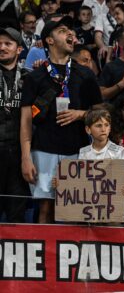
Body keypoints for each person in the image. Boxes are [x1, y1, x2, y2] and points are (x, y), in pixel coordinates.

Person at [20, 16, 102, 223]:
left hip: (77, 149)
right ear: (49, 40)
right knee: (45, 210)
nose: (70, 34)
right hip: (43, 150)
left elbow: (101, 113)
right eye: (63, 30)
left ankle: (69, 255)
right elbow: (26, 122)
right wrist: (26, 157)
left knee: (73, 211)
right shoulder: (34, 77)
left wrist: (80, 114)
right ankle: (45, 254)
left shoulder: (85, 74)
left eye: (71, 31)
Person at [0, 27, 29, 223]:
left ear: (19, 49)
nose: (2, 47)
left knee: (16, 211)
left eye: (7, 44)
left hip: (20, 153)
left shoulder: (30, 78)